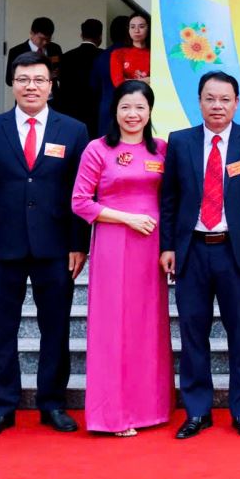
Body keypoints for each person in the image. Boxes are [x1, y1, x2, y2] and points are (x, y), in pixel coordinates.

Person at [0, 51, 89, 439]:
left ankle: (52, 403)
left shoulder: (74, 130)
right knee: (1, 330)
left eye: (39, 80)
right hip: (2, 249)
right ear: (12, 84)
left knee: (56, 330)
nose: (31, 86)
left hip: (56, 248)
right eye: (23, 79)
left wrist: (79, 243)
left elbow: (80, 192)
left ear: (51, 85)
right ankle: (2, 406)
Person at [160, 71, 240, 439]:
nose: (217, 106)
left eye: (225, 99)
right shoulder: (180, 141)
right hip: (192, 252)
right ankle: (197, 411)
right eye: (210, 98)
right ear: (199, 101)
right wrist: (168, 246)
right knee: (193, 334)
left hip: (235, 253)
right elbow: (169, 199)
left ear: (236, 103)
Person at [71, 80, 173, 436]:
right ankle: (112, 415)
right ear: (114, 110)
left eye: (140, 107)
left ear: (150, 111)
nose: (133, 114)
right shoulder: (98, 149)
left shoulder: (161, 149)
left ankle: (150, 409)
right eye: (126, 107)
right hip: (113, 245)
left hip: (152, 248)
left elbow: (171, 198)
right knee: (113, 327)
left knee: (148, 325)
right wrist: (126, 218)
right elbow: (80, 201)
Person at [54, 18, 103, 129]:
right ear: (100, 36)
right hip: (95, 113)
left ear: (81, 35)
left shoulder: (66, 57)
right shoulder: (103, 56)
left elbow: (61, 84)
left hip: (69, 113)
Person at [93, 14, 130, 135]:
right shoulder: (136, 56)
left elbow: (94, 85)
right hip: (130, 110)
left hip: (106, 109)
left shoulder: (102, 56)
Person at [5, 16, 61, 85]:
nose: (45, 42)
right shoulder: (16, 52)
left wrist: (58, 74)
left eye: (48, 39)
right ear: (31, 33)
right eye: (41, 39)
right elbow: (9, 81)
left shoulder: (55, 48)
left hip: (51, 91)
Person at [109, 9, 152, 86]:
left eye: (141, 27)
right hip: (126, 94)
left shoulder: (155, 54)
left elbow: (160, 80)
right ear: (128, 29)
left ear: (148, 29)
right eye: (132, 27)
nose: (136, 31)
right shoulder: (118, 54)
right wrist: (148, 80)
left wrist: (127, 80)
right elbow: (118, 83)